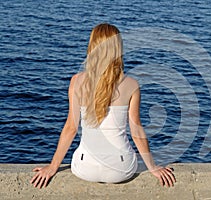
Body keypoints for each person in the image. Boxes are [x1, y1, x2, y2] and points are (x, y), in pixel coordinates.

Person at [30, 23, 176, 188]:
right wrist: (153, 167)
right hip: (120, 170)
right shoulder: (131, 84)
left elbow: (71, 127)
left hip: (85, 168)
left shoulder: (76, 81)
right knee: (133, 155)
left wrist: (52, 167)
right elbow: (136, 131)